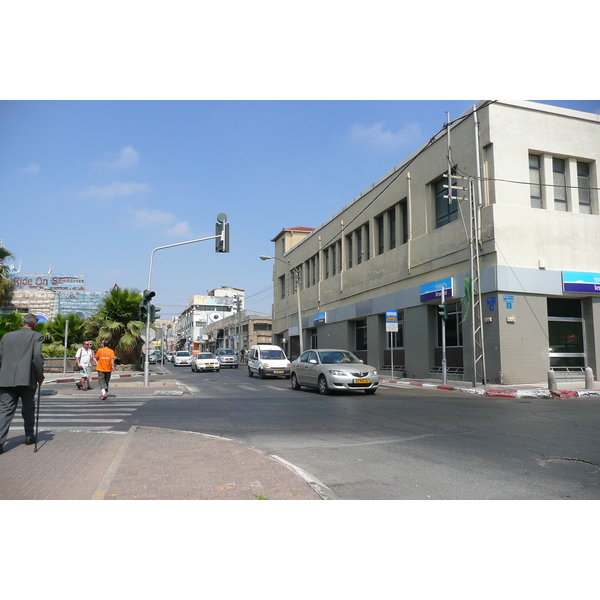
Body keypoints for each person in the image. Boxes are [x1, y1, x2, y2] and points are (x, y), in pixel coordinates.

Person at [0, 313, 45, 454]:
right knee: (28, 408)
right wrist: (39, 376)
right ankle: (29, 435)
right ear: (34, 325)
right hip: (27, 379)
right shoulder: (36, 336)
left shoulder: (6, 337)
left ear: (22, 323)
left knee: (5, 411)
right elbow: (37, 357)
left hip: (6, 379)